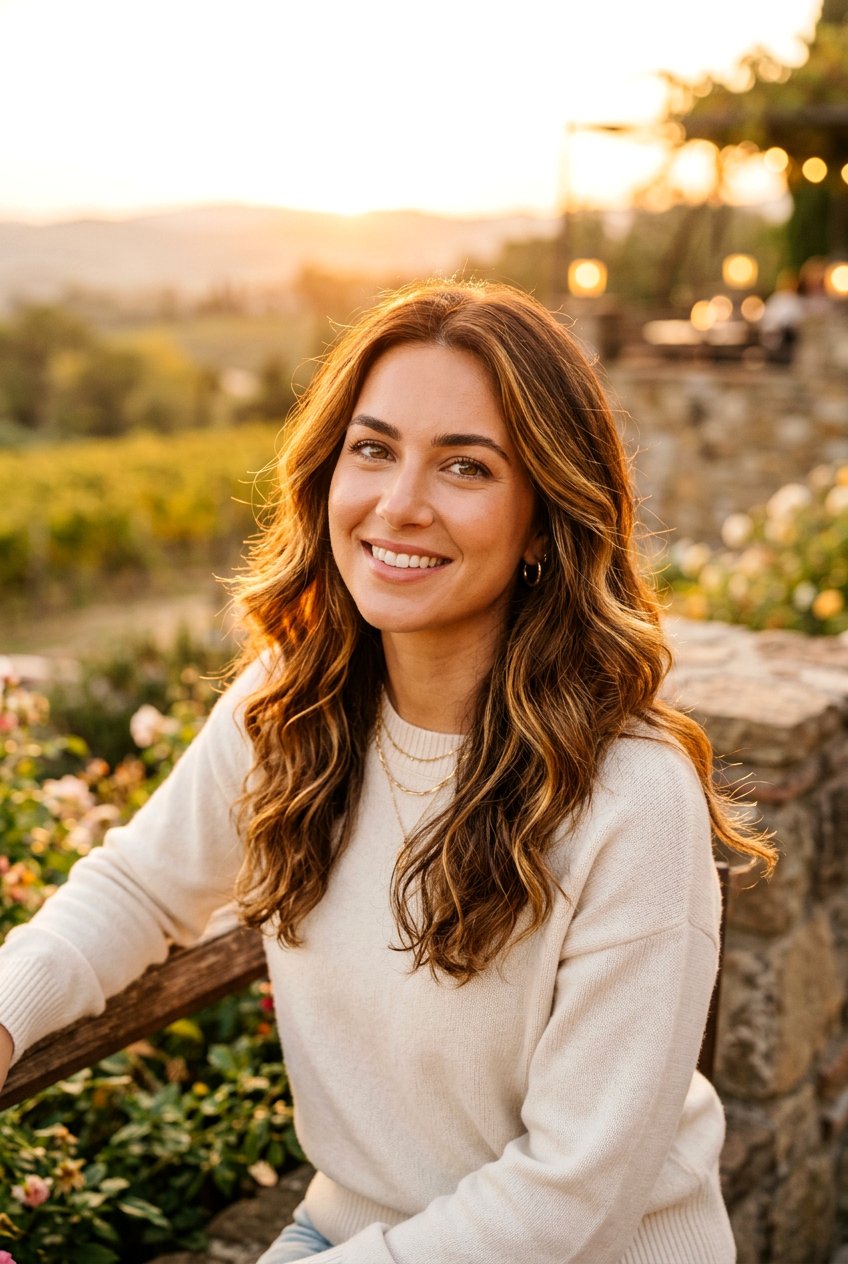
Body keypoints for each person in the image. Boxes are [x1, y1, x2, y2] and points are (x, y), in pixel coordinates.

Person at [0, 280, 775, 1263]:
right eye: (373, 449)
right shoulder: (292, 704)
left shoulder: (629, 796)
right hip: (351, 1227)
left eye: (464, 466)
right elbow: (140, 887)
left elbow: (567, 1198)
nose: (398, 504)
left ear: (543, 518)